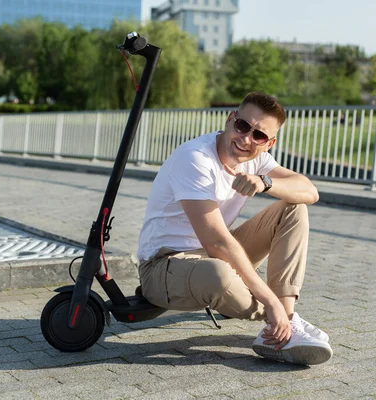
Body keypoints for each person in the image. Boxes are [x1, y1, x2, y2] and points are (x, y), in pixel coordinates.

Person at [137, 92, 332, 366]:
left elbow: (309, 191)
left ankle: (281, 329)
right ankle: (280, 321)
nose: (246, 139)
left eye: (259, 136)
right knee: (218, 271)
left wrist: (266, 183)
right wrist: (269, 301)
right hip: (163, 265)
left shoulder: (256, 159)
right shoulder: (195, 158)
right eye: (242, 126)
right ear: (231, 119)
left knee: (293, 207)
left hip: (211, 257)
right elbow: (216, 242)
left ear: (269, 143)